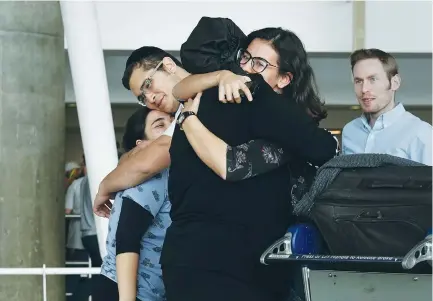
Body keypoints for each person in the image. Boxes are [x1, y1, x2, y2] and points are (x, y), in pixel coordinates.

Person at [162, 27, 338, 301]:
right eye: (244, 58)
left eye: (259, 64)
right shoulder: (223, 99)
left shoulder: (269, 115)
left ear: (284, 79)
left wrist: (188, 119)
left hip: (212, 262)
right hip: (226, 264)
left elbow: (230, 163)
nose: (245, 69)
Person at [94, 107, 173, 301]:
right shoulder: (152, 175)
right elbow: (127, 238)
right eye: (160, 125)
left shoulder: (164, 173)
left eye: (172, 119)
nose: (172, 126)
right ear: (142, 144)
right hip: (128, 293)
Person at [342, 48, 432, 165]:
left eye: (372, 79)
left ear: (395, 83)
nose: (364, 89)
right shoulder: (350, 131)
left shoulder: (421, 133)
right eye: (358, 81)